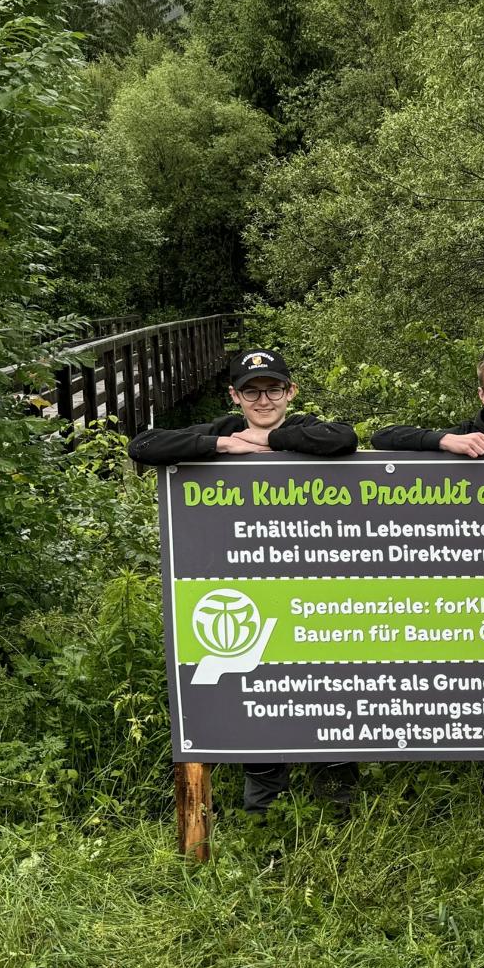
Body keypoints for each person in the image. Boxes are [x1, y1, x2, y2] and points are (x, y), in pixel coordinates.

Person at [127, 348, 359, 812]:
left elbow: (344, 440)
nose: (264, 399)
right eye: (252, 391)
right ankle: (263, 823)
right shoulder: (222, 432)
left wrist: (274, 444)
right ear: (235, 395)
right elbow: (144, 445)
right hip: (246, 592)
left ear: (290, 391)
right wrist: (224, 446)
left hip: (313, 593)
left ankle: (340, 820)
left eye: (274, 389)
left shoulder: (309, 428)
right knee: (255, 696)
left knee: (324, 694)